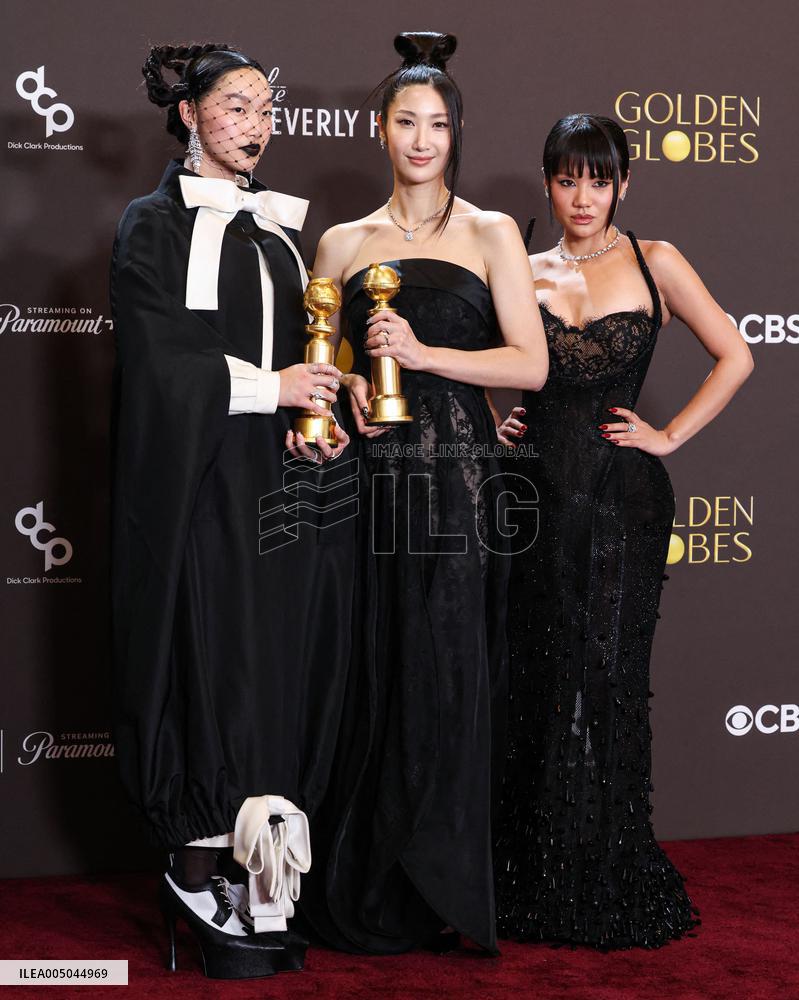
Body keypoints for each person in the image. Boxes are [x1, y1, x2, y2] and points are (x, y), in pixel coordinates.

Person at [300, 31, 548, 955]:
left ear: (455, 134)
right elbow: (318, 361)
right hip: (367, 480)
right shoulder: (339, 242)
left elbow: (529, 364)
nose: (420, 140)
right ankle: (364, 876)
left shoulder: (490, 232)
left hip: (458, 483)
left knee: (445, 667)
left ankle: (440, 880)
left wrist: (423, 353)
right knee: (369, 663)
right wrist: (351, 384)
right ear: (379, 128)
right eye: (405, 122)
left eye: (437, 125)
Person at [110, 43, 353, 978]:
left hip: (277, 482)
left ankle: (264, 869)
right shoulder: (151, 225)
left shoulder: (277, 233)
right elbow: (160, 362)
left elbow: (303, 352)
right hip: (197, 481)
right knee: (207, 653)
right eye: (237, 107)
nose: (257, 126)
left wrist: (315, 415)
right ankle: (194, 864)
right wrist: (272, 387)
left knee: (267, 660)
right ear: (189, 115)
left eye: (266, 109)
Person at [493, 113, 753, 948]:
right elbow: (495, 365)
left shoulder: (655, 261)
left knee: (607, 678)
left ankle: (606, 867)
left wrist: (668, 434)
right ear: (547, 183)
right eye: (567, 180)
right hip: (533, 498)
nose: (582, 197)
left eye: (598, 181)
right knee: (535, 676)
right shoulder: (519, 266)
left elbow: (736, 354)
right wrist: (498, 421)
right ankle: (530, 868)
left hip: (621, 502)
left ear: (623, 185)